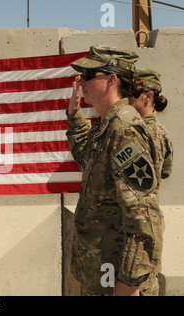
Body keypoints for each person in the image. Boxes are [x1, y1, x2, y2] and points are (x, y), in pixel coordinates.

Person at [66, 45, 163, 296]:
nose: (82, 81)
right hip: (100, 273)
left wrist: (128, 284)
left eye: (89, 75)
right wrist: (75, 114)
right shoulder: (106, 125)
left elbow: (143, 217)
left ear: (111, 79)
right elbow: (86, 162)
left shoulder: (124, 128)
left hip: (116, 280)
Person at [128, 68, 173, 182]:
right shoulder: (158, 130)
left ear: (148, 97)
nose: (127, 97)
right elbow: (166, 170)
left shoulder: (146, 132)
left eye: (132, 92)